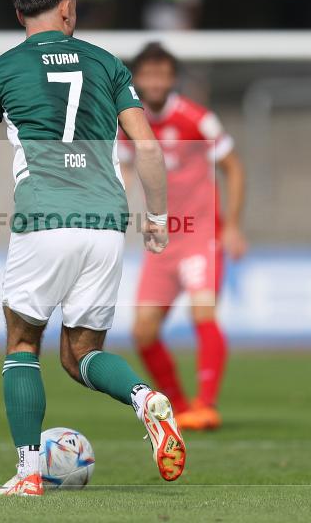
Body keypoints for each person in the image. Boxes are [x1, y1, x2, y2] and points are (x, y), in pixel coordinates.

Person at [0, 0, 186, 497]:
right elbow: (148, 150)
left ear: (21, 16)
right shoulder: (107, 64)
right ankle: (144, 398)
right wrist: (155, 218)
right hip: (106, 222)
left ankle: (29, 473)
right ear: (67, 10)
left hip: (43, 220)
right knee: (80, 353)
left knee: (22, 343)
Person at [121, 42, 247, 431]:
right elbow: (124, 173)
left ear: (172, 79)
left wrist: (232, 225)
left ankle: (205, 405)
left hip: (199, 237)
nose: (155, 81)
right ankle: (177, 404)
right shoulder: (129, 122)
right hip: (161, 242)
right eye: (148, 74)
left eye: (162, 74)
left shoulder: (198, 119)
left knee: (202, 311)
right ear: (137, 78)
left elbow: (234, 168)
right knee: (142, 330)